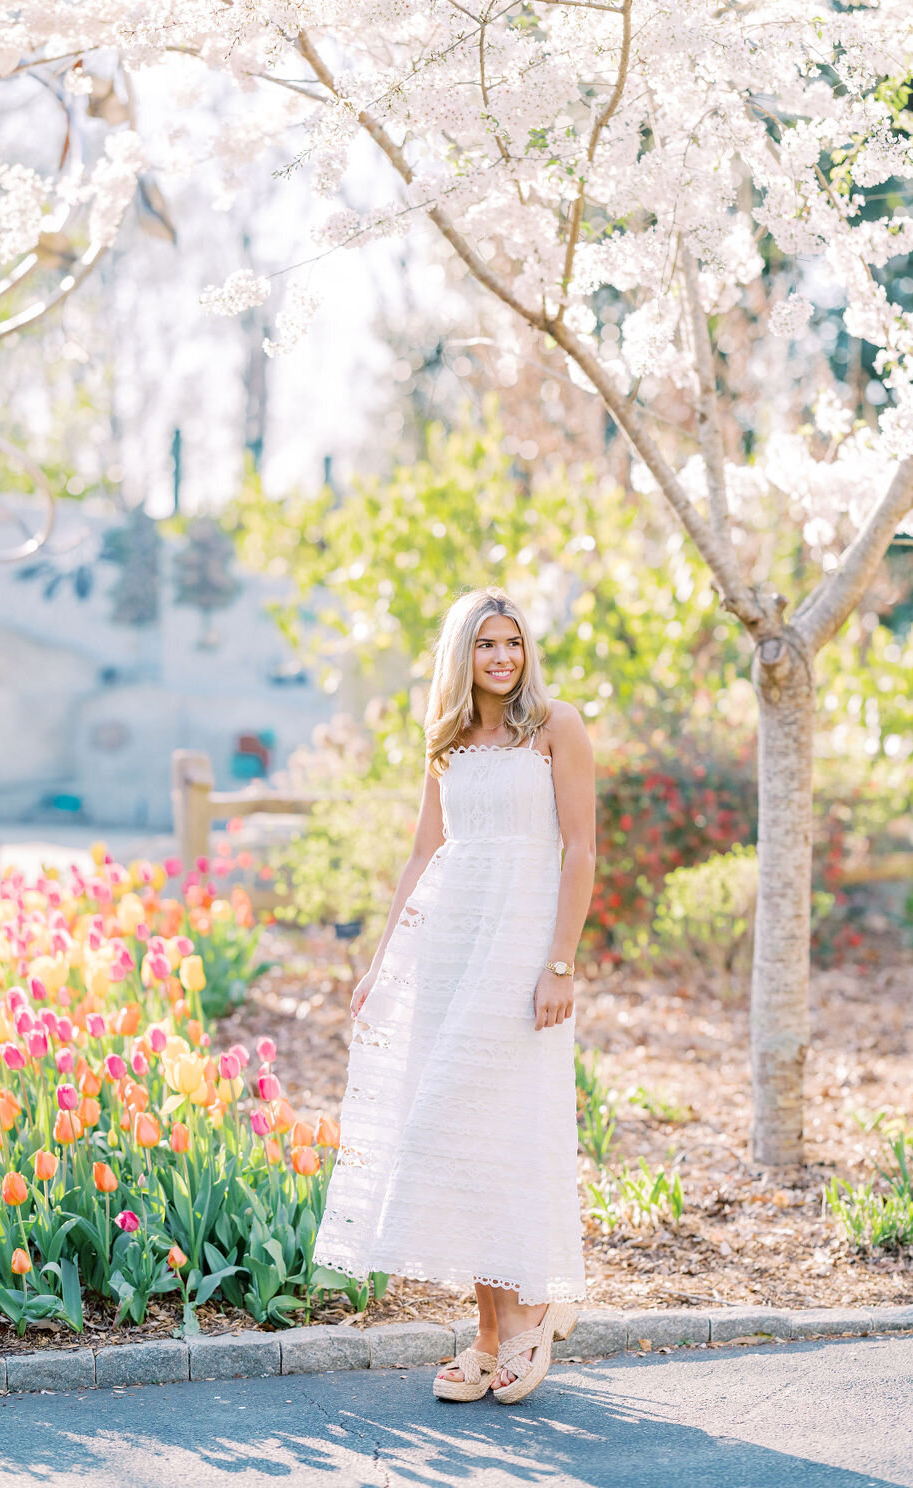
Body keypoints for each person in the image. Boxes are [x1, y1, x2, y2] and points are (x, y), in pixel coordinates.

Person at [313, 585, 597, 1403]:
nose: (502, 657)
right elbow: (422, 855)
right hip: (449, 951)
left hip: (520, 953)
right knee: (452, 1139)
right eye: (485, 645)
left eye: (512, 642)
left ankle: (533, 1306)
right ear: (461, 655)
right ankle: (485, 1328)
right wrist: (379, 964)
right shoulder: (445, 740)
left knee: (497, 1128)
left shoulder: (557, 729)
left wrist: (560, 964)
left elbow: (579, 852)